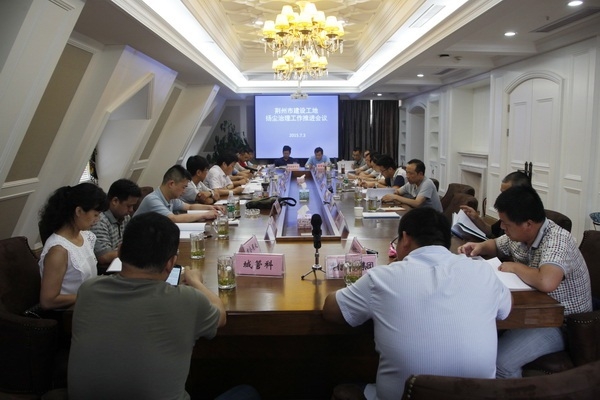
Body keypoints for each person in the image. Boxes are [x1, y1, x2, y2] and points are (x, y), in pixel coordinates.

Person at [323, 207, 512, 400]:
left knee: (343, 383)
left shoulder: (382, 278)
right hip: (479, 395)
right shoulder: (483, 271)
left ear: (405, 238)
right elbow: (505, 311)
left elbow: (331, 310)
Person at [68, 212, 260, 400]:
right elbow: (220, 315)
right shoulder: (187, 300)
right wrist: (196, 282)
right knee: (247, 392)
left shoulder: (88, 291)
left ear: (120, 251)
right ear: (171, 263)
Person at [458, 186, 592, 379]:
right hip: (530, 311)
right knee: (473, 340)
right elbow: (496, 244)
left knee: (501, 364)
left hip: (560, 323)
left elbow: (546, 281)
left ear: (528, 224)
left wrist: (515, 267)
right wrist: (479, 247)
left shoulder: (557, 240)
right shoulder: (520, 234)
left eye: (506, 223)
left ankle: (518, 389)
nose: (501, 227)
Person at [38, 183, 108, 310]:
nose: (97, 220)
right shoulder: (58, 250)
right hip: (70, 312)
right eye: (95, 215)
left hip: (87, 302)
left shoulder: (86, 237)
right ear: (79, 211)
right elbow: (48, 301)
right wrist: (90, 295)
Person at [133, 165, 220, 222]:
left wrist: (210, 208)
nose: (184, 191)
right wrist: (204, 215)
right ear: (171, 184)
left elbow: (190, 207)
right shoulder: (152, 200)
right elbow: (173, 219)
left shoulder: (170, 198)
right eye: (183, 187)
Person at [460, 171, 531, 238]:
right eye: (501, 193)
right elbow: (492, 232)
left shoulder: (526, 219)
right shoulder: (509, 210)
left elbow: (504, 243)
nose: (501, 197)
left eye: (505, 193)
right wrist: (476, 218)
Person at [91, 179, 141, 265]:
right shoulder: (99, 221)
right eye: (129, 206)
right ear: (115, 201)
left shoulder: (125, 217)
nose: (131, 210)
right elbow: (104, 256)